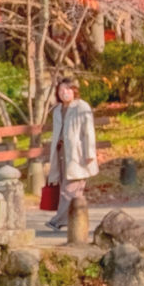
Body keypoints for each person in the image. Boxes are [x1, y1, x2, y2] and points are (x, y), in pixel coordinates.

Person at [45, 76, 99, 232]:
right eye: (61, 90)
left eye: (68, 89)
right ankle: (74, 222)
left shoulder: (82, 107)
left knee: (70, 189)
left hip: (78, 153)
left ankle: (59, 220)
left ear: (74, 90)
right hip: (62, 152)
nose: (65, 93)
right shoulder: (57, 109)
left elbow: (88, 131)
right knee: (69, 188)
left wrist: (90, 153)